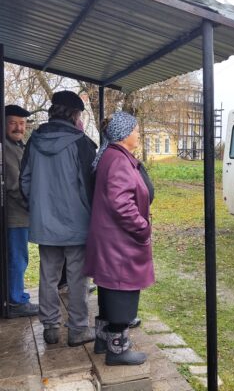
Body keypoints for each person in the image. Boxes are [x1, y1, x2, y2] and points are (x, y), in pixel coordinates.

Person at [20, 91, 96, 346]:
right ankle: (78, 329)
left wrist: (40, 208)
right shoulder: (81, 143)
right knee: (77, 278)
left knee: (48, 276)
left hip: (45, 222)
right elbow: (90, 186)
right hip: (77, 223)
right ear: (75, 115)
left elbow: (25, 181)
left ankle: (50, 328)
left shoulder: (34, 140)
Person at [84, 111, 155, 366]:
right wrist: (142, 227)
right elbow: (121, 203)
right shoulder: (118, 160)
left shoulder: (112, 155)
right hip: (120, 242)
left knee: (110, 289)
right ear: (125, 134)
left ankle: (103, 340)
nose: (138, 134)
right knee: (122, 292)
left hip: (111, 240)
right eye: (136, 129)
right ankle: (118, 351)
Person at [4, 105, 39, 318]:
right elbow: (14, 185)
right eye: (13, 122)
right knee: (17, 258)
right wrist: (33, 204)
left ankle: (16, 297)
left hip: (21, 214)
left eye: (22, 123)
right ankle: (16, 301)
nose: (19, 127)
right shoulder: (7, 149)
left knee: (19, 257)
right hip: (15, 215)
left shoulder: (18, 145)